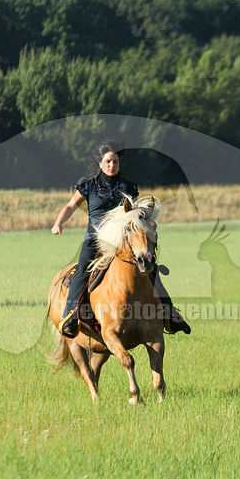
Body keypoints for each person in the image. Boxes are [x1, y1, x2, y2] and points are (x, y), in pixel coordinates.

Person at [51, 140, 191, 338]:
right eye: (108, 161)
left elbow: (134, 214)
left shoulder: (128, 186)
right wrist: (59, 223)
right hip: (96, 239)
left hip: (122, 241)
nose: (111, 165)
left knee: (150, 268)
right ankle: (71, 316)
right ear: (100, 163)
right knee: (82, 268)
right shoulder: (88, 185)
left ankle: (170, 314)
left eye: (115, 162)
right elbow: (70, 206)